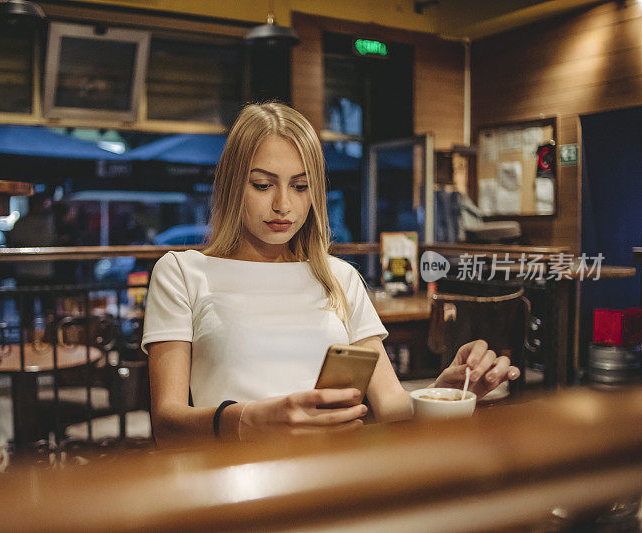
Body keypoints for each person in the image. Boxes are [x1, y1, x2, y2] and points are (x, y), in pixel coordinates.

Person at [141, 102, 519, 446]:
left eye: (301, 186)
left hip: (331, 479)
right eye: (263, 185)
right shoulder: (182, 272)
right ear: (232, 185)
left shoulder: (340, 277)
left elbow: (391, 407)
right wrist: (252, 418)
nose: (283, 204)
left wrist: (444, 393)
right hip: (237, 488)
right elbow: (168, 424)